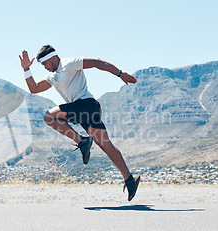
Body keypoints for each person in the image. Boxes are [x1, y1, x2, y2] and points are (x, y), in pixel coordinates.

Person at [19, 45, 141, 201]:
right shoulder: (51, 76)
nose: (44, 67)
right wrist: (26, 70)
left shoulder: (70, 63)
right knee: (106, 146)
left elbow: (97, 63)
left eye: (44, 63)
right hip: (84, 112)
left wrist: (120, 73)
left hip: (87, 105)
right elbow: (34, 89)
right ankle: (129, 180)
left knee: (48, 117)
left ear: (53, 58)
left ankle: (82, 141)